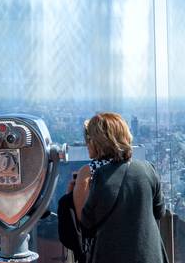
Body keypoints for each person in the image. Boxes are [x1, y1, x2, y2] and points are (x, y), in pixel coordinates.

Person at [70, 112, 165, 263]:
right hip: (149, 255)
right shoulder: (148, 169)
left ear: (98, 142)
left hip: (110, 255)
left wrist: (72, 192)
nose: (86, 143)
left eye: (89, 139)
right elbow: (159, 212)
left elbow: (86, 223)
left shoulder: (92, 173)